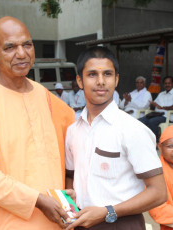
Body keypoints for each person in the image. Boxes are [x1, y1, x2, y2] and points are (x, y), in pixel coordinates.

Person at [0, 16, 75, 229]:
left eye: (27, 45)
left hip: (54, 221)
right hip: (3, 223)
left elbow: (74, 143)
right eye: (10, 47)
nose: (21, 54)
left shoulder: (45, 96)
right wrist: (37, 200)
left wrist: (70, 187)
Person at [65, 46, 167, 230]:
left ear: (116, 79)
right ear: (80, 81)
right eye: (92, 74)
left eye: (107, 74)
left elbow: (158, 193)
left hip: (122, 224)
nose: (101, 81)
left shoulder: (132, 130)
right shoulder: (73, 131)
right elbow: (70, 176)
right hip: (81, 223)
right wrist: (71, 198)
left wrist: (108, 211)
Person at [138, 76, 173, 142]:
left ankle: (156, 141)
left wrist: (161, 107)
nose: (167, 85)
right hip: (157, 114)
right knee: (140, 121)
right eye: (165, 83)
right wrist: (152, 105)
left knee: (152, 121)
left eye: (169, 83)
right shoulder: (161, 94)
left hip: (168, 116)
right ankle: (143, 140)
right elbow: (154, 107)